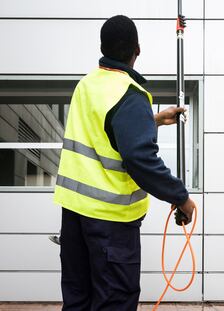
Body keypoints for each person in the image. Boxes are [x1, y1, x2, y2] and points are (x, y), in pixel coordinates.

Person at [53, 15, 195, 310]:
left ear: (103, 48)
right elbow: (139, 158)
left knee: (78, 300)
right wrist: (181, 197)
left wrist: (152, 120)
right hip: (111, 222)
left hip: (75, 216)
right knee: (114, 301)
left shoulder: (87, 85)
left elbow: (103, 132)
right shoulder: (130, 95)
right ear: (137, 50)